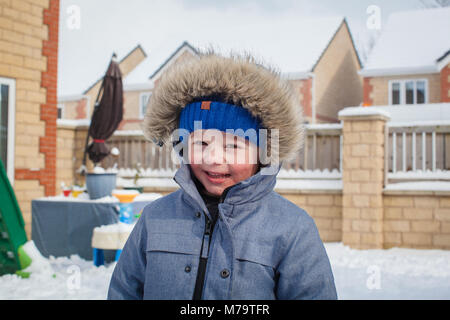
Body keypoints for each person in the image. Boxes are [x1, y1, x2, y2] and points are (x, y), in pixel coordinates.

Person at [107, 51, 337, 300]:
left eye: (234, 146)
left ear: (262, 153)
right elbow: (124, 292)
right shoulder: (155, 219)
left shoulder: (292, 229)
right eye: (201, 144)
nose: (213, 158)